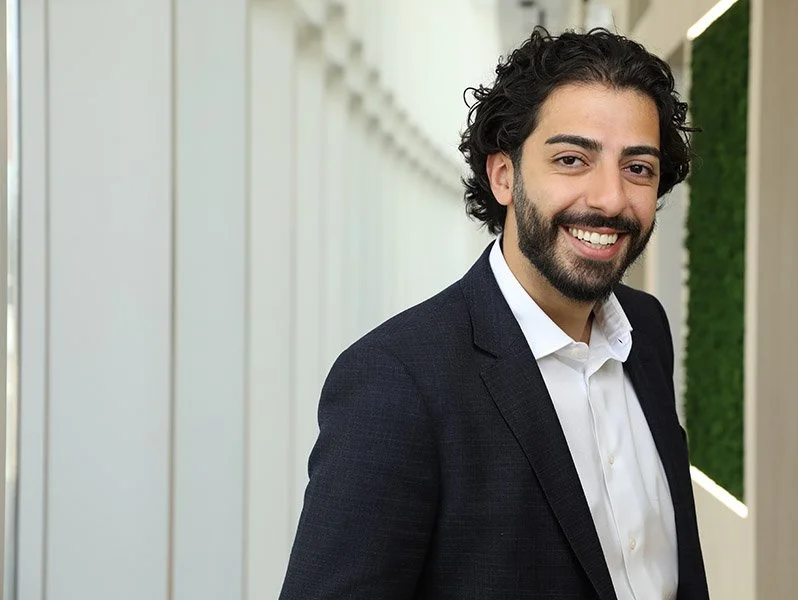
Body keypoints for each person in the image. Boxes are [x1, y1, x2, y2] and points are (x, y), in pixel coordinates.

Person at [280, 26, 709, 600]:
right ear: (503, 175)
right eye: (572, 159)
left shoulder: (647, 331)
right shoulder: (397, 383)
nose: (609, 199)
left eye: (638, 168)